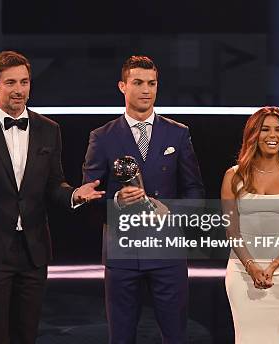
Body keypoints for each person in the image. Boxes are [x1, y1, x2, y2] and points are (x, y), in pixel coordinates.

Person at [0, 50, 104, 344]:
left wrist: (75, 194)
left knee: (27, 334)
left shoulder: (49, 129)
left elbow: (54, 185)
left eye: (24, 82)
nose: (19, 90)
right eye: (10, 83)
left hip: (33, 250)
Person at [82, 55, 205, 344]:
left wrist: (171, 210)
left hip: (167, 253)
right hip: (122, 252)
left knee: (175, 336)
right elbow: (90, 195)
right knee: (121, 337)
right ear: (122, 86)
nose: (146, 90)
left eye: (152, 83)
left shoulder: (178, 133)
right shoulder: (102, 137)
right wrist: (116, 202)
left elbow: (195, 192)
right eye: (138, 83)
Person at [221, 106, 279, 344]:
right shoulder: (234, 176)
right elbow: (232, 229)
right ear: (253, 134)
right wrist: (251, 267)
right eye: (265, 129)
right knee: (245, 337)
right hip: (242, 271)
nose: (273, 135)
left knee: (277, 337)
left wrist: (274, 266)